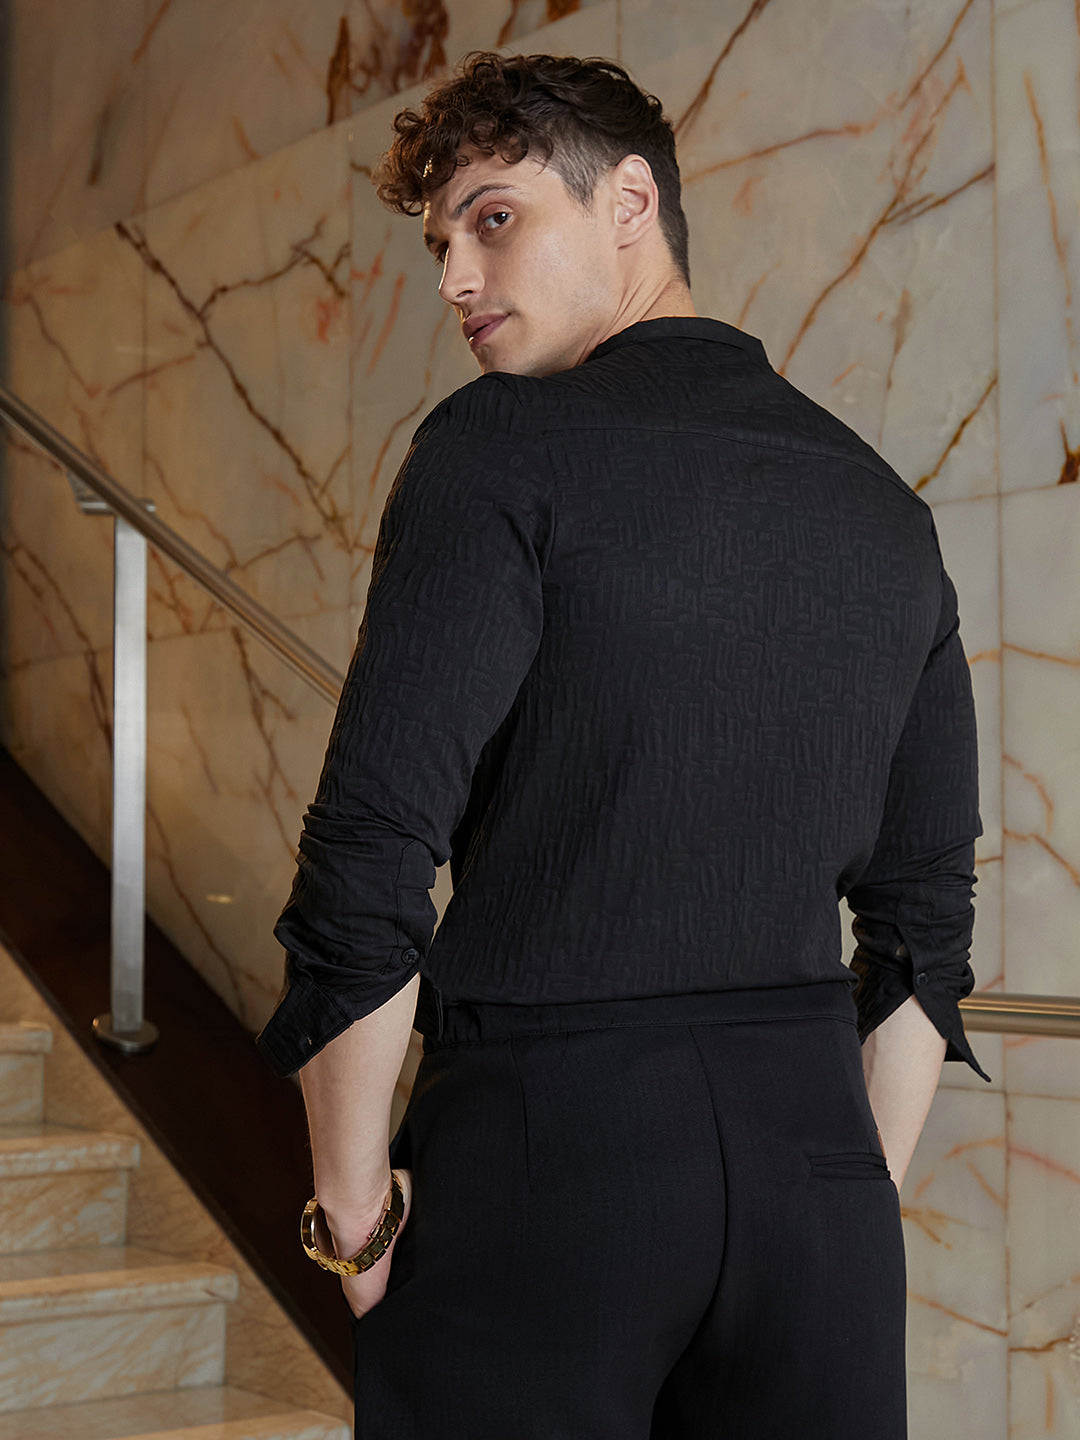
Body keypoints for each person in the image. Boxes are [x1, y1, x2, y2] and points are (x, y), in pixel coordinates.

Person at [256, 50, 986, 1440]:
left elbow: (369, 856)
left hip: (548, 1158)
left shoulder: (502, 446)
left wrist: (350, 1216)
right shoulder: (887, 509)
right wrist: (843, 1198)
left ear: (631, 201)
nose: (455, 279)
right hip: (817, 1178)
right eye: (439, 245)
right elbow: (923, 926)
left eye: (493, 219)